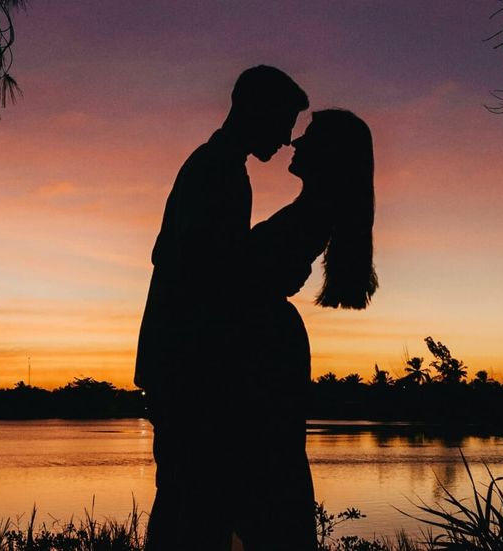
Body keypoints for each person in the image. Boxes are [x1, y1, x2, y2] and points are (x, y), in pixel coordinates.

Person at [135, 65, 309, 551]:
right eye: (284, 122)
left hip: (184, 366)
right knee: (191, 505)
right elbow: (198, 269)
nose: (288, 138)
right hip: (189, 368)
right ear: (256, 110)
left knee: (190, 502)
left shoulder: (219, 167)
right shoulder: (217, 171)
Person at [235, 108, 378, 551]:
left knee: (265, 471)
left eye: (310, 137)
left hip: (266, 346)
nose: (295, 143)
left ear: (332, 154)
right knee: (267, 469)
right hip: (268, 339)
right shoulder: (313, 210)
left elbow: (249, 274)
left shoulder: (316, 211)